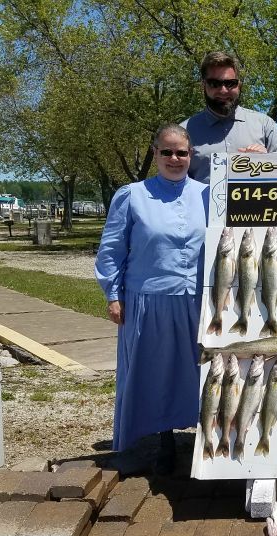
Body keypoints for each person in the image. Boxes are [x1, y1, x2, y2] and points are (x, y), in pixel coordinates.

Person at [95, 123, 209, 476]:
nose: (175, 159)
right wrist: (113, 294)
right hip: (149, 299)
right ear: (155, 154)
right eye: (167, 152)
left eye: (182, 153)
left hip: (198, 300)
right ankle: (163, 441)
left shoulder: (210, 195)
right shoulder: (132, 195)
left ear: (191, 156)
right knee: (156, 373)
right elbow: (111, 250)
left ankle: (206, 439)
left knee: (199, 372)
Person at [182, 51, 277, 184]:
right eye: (214, 83)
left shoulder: (265, 125)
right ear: (203, 86)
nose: (223, 90)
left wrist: (266, 163)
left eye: (230, 83)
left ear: (238, 85)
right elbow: (173, 182)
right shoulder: (183, 132)